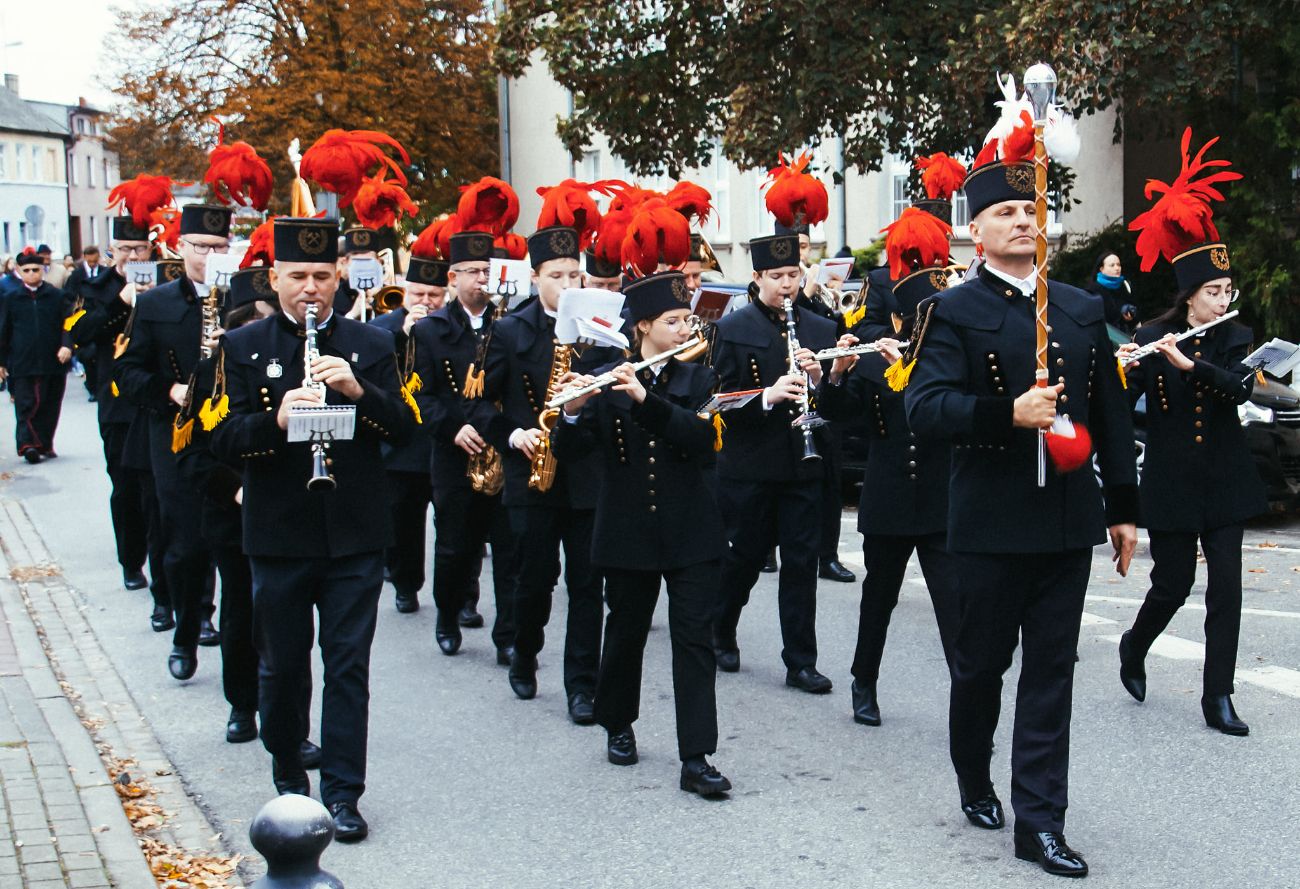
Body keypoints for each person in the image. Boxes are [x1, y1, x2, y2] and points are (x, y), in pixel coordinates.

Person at [904, 124, 1138, 878]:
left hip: (1064, 524)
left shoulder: (1074, 308)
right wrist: (1005, 414)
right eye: (1005, 213)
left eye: (1030, 210)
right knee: (980, 670)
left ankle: (1040, 821)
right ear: (976, 230)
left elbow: (1110, 412)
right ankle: (974, 775)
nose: (1022, 221)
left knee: (1051, 675)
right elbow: (926, 408)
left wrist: (1124, 509)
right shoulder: (954, 312)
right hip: (986, 526)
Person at [209, 215, 414, 842]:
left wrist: (358, 391)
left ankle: (344, 793)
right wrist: (275, 419)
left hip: (353, 532)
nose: (310, 289)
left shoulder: (373, 345)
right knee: (282, 665)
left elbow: (406, 429)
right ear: (274, 279)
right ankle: (289, 776)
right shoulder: (241, 349)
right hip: (277, 532)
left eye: (322, 276)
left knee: (348, 665)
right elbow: (219, 437)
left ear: (338, 279)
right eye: (297, 276)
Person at [553, 270, 731, 796]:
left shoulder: (702, 377)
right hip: (628, 528)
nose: (684, 329)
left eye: (688, 320)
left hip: (691, 530)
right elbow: (569, 456)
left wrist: (643, 400)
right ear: (644, 326)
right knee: (626, 632)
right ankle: (618, 722)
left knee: (694, 641)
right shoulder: (605, 376)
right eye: (673, 321)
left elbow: (701, 441)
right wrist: (574, 412)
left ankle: (696, 757)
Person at [1117, 129, 1267, 736]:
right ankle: (1133, 645)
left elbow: (1240, 389)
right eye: (1212, 292)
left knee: (1225, 591)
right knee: (1174, 583)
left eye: (1227, 290)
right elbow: (1121, 404)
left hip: (1226, 475)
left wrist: (1193, 365)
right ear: (1188, 297)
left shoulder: (1234, 334)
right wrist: (1132, 364)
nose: (1222, 298)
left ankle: (1218, 697)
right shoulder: (1155, 336)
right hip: (1174, 477)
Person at [468, 221, 614, 723]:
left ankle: (581, 685)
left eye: (576, 274)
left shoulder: (601, 330)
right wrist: (514, 435)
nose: (569, 284)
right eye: (557, 275)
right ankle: (525, 653)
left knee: (587, 584)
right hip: (530, 472)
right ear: (536, 278)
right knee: (533, 579)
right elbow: (482, 404)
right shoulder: (509, 330)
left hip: (586, 474)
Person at [817, 265, 959, 727]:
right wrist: (836, 375)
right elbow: (840, 415)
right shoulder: (877, 360)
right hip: (889, 496)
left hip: (942, 499)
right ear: (904, 320)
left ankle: (970, 700)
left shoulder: (954, 359)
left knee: (955, 608)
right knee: (879, 600)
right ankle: (864, 681)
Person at [709, 228, 837, 693]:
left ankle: (800, 661)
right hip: (749, 466)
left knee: (801, 564)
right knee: (742, 557)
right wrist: (766, 395)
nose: (788, 285)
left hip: (802, 466)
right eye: (778, 276)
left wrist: (821, 380)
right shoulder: (731, 329)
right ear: (758, 276)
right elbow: (714, 401)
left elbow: (837, 408)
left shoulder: (820, 328)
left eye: (794, 275)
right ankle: (721, 627)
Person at [114, 203, 232, 682]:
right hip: (176, 435)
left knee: (232, 539)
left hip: (229, 433)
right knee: (184, 540)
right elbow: (127, 370)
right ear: (181, 248)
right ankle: (188, 627)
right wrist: (169, 390)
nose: (207, 255)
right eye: (199, 246)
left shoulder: (244, 297)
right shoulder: (156, 302)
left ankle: (235, 640)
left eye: (218, 247)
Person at [174, 268, 286, 745]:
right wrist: (235, 489)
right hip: (232, 509)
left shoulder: (297, 364)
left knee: (284, 620)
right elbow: (191, 454)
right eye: (251, 324)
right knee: (241, 610)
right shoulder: (209, 373)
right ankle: (243, 704)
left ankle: (286, 719)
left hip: (287, 507)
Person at [413, 230, 518, 659]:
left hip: (503, 451)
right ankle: (447, 616)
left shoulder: (510, 324)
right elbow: (419, 395)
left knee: (510, 550)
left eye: (487, 271)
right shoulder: (430, 330)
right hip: (455, 453)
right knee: (455, 545)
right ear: (453, 277)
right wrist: (452, 428)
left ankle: (508, 636)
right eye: (472, 271)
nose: (481, 279)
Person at [68, 217, 154, 596]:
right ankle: (131, 561)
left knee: (161, 489)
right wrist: (120, 304)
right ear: (112, 251)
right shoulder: (95, 286)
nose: (132, 257)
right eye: (124, 250)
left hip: (157, 398)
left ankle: (165, 560)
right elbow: (79, 332)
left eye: (139, 250)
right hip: (118, 401)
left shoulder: (165, 281)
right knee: (125, 487)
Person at [369, 258, 445, 614]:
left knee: (456, 528)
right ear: (404, 290)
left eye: (434, 294)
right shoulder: (383, 329)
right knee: (404, 523)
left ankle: (462, 598)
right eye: (418, 293)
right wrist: (406, 335)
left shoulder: (451, 326)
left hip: (444, 437)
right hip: (401, 445)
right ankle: (406, 584)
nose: (426, 301)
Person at [0, 248, 74, 461]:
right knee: (26, 403)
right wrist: (2, 362)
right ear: (18, 271)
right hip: (22, 361)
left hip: (53, 359)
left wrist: (67, 345)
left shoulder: (56, 296)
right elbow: (3, 330)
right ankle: (27, 445)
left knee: (50, 403)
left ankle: (44, 444)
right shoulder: (11, 298)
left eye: (36, 269)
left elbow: (69, 323)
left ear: (42, 270)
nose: (32, 274)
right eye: (27, 270)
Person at [1087, 252, 1137, 334]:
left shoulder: (1125, 285)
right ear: (1101, 268)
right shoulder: (1093, 290)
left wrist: (1131, 315)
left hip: (1125, 335)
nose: (1117, 268)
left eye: (1118, 264)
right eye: (1112, 265)